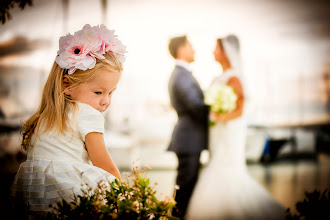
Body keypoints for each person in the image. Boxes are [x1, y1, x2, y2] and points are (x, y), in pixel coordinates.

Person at [10, 24, 127, 218]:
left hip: (33, 197)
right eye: (98, 92)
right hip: (69, 194)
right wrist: (125, 198)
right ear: (67, 85)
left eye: (111, 93)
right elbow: (104, 165)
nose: (106, 100)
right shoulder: (88, 114)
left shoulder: (43, 118)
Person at [186, 35, 285, 220]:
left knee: (224, 170)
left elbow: (239, 110)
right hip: (217, 132)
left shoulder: (234, 78)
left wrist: (221, 117)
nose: (213, 52)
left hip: (228, 133)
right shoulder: (220, 77)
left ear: (225, 52)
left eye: (216, 48)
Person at [167, 36, 209, 219]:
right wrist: (219, 113)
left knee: (187, 187)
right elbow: (195, 106)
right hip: (188, 139)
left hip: (191, 139)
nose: (194, 50)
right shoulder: (181, 75)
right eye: (191, 46)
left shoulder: (183, 74)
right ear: (181, 50)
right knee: (185, 188)